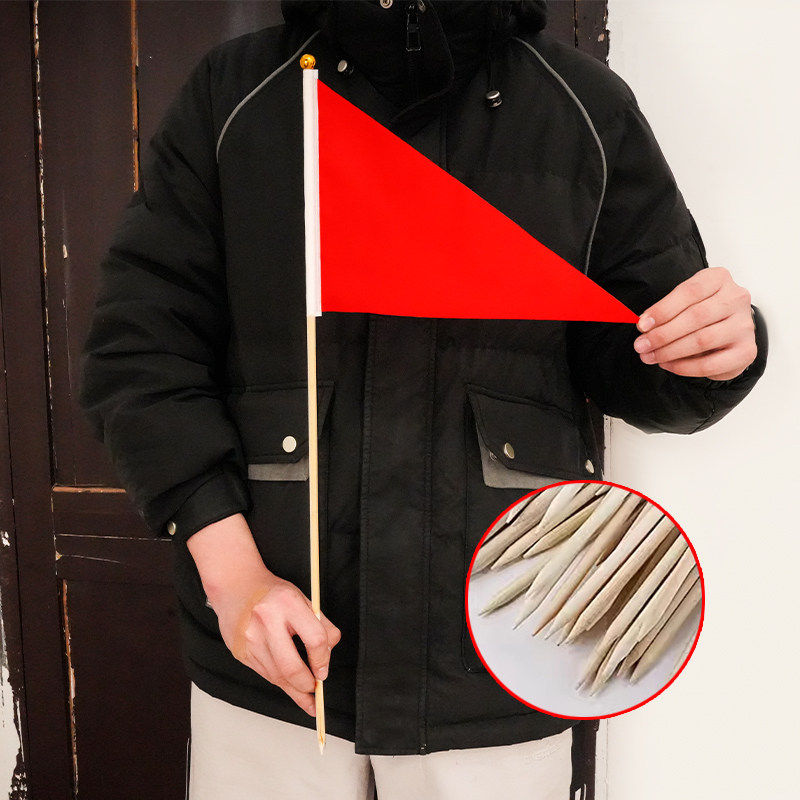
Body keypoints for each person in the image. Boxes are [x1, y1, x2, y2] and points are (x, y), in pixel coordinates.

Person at [78, 2, 768, 798]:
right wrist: (233, 578)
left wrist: (710, 351)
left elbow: (639, 352)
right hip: (272, 653)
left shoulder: (584, 105)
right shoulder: (237, 92)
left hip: (507, 649)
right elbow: (140, 348)